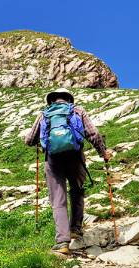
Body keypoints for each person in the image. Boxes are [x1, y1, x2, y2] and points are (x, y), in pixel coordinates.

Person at [24, 88, 113, 255]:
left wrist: (36, 139)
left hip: (53, 161)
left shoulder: (44, 114)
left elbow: (29, 140)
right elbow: (93, 133)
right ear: (69, 99)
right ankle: (76, 229)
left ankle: (62, 242)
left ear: (51, 100)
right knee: (77, 191)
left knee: (58, 199)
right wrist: (103, 153)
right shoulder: (77, 111)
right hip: (76, 157)